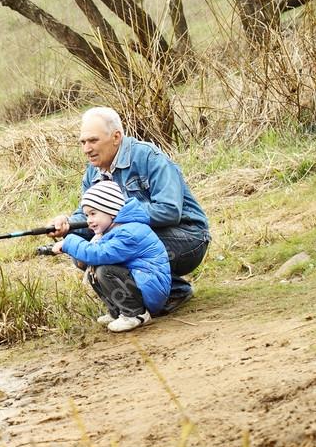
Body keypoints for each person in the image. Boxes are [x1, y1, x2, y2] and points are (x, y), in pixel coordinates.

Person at [51, 106, 210, 314]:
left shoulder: (148, 157)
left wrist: (118, 217)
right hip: (142, 239)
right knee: (81, 253)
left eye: (93, 141)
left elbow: (170, 210)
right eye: (83, 142)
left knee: (121, 244)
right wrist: (68, 225)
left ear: (116, 137)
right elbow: (89, 215)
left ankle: (165, 294)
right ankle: (166, 292)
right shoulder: (93, 172)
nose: (86, 149)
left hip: (188, 238)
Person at [52, 181, 171, 331]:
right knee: (95, 270)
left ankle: (136, 314)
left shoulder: (129, 232)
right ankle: (118, 312)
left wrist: (69, 242)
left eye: (93, 213)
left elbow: (99, 254)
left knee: (104, 270)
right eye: (87, 215)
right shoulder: (112, 230)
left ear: (111, 211)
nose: (88, 220)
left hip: (151, 289)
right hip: (141, 284)